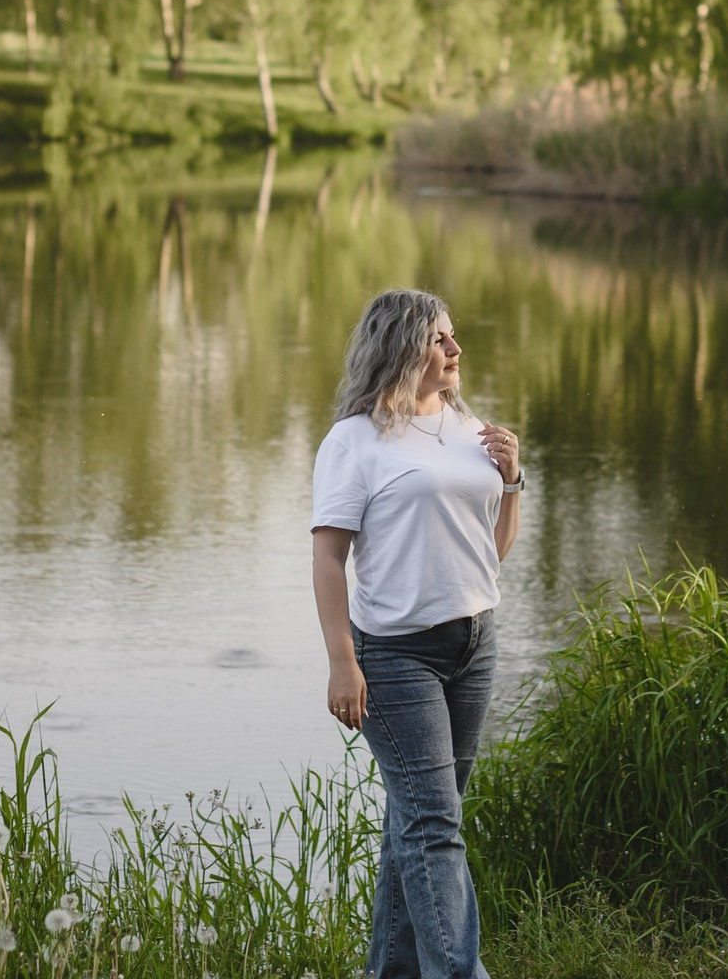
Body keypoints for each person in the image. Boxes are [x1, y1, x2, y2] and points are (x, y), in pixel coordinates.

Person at [310, 288, 524, 979]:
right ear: (400, 347)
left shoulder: (468, 429)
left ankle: (388, 972)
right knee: (436, 828)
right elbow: (328, 557)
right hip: (396, 654)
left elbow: (489, 552)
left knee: (423, 819)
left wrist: (513, 482)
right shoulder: (355, 442)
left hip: (474, 644)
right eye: (439, 339)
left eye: (453, 336)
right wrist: (343, 662)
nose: (456, 349)